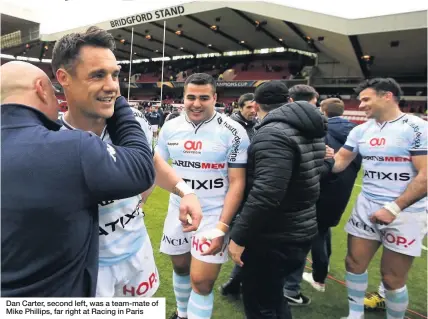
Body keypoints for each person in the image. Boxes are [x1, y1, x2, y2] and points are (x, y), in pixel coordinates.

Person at [52, 26, 202, 298]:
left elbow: (152, 161)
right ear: (64, 78)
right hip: (86, 267)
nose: (112, 86)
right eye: (98, 75)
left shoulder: (133, 122)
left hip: (136, 253)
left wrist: (185, 191)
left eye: (115, 75)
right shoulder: (49, 136)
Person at [1, 61, 155, 297]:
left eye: (114, 76)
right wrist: (118, 102)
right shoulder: (68, 146)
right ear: (41, 89)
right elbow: (142, 167)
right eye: (54, 93)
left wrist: (183, 189)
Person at [229, 80, 327, 319]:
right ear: (289, 100)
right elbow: (313, 169)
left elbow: (267, 193)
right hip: (299, 228)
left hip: (274, 236)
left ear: (255, 104)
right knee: (274, 298)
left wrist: (239, 237)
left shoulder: (272, 133)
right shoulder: (308, 126)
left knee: (260, 305)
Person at [330, 78, 427, 319]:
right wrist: (323, 159)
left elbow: (425, 175)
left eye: (365, 99)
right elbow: (341, 161)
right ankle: (355, 315)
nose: (360, 105)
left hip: (405, 212)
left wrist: (393, 208)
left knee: (392, 278)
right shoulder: (360, 130)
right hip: (366, 205)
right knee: (353, 263)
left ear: (387, 96)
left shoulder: (416, 127)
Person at [156, 73, 249, 319]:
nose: (196, 103)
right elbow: (157, 168)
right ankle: (182, 313)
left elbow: (237, 182)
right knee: (181, 268)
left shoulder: (234, 131)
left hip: (213, 215)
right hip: (179, 211)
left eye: (204, 98)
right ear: (183, 98)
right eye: (191, 97)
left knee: (202, 282)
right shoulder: (171, 127)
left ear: (215, 98)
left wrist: (222, 226)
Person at [300, 98, 362, 295]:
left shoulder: (322, 131)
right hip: (344, 189)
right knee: (324, 230)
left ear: (323, 110)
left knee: (316, 232)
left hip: (323, 188)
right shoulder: (356, 132)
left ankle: (319, 277)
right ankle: (321, 271)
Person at [219, 92, 258, 297]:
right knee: (243, 236)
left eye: (255, 107)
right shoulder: (232, 127)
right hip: (234, 188)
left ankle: (235, 283)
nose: (253, 111)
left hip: (248, 187)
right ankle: (235, 283)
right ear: (239, 107)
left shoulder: (255, 125)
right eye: (249, 107)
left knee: (247, 238)